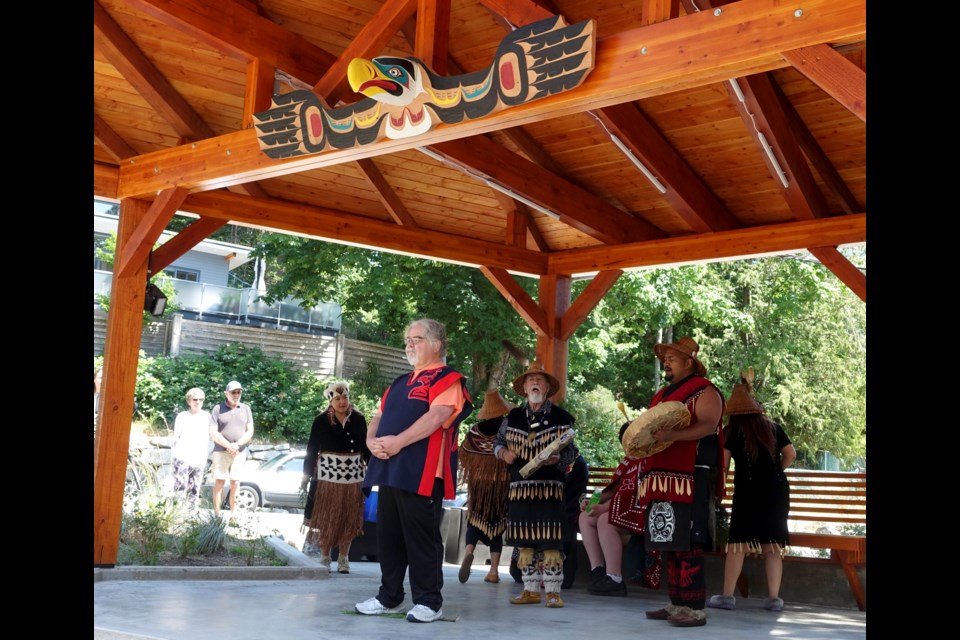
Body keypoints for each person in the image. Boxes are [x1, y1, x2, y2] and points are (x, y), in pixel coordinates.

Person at [355, 319, 473, 624]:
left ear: (436, 344)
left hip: (422, 472)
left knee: (422, 540)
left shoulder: (449, 379)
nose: (409, 344)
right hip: (389, 470)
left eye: (416, 339)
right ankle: (389, 597)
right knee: (389, 538)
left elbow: (437, 417)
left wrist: (397, 442)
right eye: (407, 339)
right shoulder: (399, 382)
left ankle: (429, 602)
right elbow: (378, 415)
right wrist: (371, 441)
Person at [640, 336, 725, 628]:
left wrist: (671, 436)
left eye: (672, 358)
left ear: (689, 362)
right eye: (665, 359)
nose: (666, 362)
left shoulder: (705, 390)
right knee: (671, 541)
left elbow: (708, 425)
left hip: (691, 475)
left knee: (688, 541)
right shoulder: (662, 394)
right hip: (662, 476)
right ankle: (677, 603)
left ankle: (695, 608)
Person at [494, 361, 577, 609]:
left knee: (551, 541)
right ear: (524, 387)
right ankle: (530, 590)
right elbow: (496, 444)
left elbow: (572, 453)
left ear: (548, 387)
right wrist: (503, 454)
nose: (535, 384)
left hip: (549, 490)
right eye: (531, 380)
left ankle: (552, 592)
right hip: (520, 490)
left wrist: (558, 459)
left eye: (540, 380)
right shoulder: (512, 416)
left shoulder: (563, 418)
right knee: (524, 541)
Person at [707, 381, 796, 613]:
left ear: (733, 413)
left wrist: (719, 491)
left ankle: (727, 596)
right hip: (776, 491)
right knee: (773, 545)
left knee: (738, 543)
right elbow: (791, 454)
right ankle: (774, 599)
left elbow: (724, 466)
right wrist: (777, 471)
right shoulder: (772, 427)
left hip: (747, 491)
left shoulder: (732, 431)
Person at [301, 381, 371, 573]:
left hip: (353, 478)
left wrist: (373, 470)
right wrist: (306, 474)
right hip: (328, 479)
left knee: (348, 519)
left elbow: (366, 448)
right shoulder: (321, 421)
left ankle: (343, 558)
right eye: (338, 398)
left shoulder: (358, 419)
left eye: (345, 397)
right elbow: (312, 449)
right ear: (330, 400)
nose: (342, 402)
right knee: (328, 519)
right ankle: (325, 557)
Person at [578, 421, 645, 597]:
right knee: (585, 517)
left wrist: (605, 509)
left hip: (641, 513)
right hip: (621, 509)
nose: (628, 446)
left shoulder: (648, 460)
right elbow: (613, 489)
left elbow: (634, 493)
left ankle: (614, 578)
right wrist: (591, 503)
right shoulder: (628, 462)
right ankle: (597, 572)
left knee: (605, 520)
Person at [457, 389, 515, 585]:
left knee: (474, 520)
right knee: (497, 526)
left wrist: (478, 468)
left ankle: (469, 551)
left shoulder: (474, 430)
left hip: (479, 486)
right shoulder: (507, 429)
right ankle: (493, 570)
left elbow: (463, 454)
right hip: (500, 486)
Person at [209, 380, 255, 520]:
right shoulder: (218, 408)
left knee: (235, 482)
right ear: (226, 393)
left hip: (239, 451)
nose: (236, 394)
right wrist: (228, 445)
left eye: (238, 392)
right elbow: (213, 432)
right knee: (219, 481)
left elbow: (250, 431)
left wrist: (237, 444)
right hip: (221, 450)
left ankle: (233, 515)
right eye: (233, 392)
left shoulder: (246, 408)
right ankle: (216, 516)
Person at [171, 388, 214, 511]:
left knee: (194, 488)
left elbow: (213, 435)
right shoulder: (182, 416)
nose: (198, 402)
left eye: (201, 399)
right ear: (189, 401)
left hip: (198, 458)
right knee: (180, 487)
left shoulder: (208, 417)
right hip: (182, 457)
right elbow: (176, 437)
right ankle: (176, 513)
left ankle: (191, 516)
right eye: (195, 399)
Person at [561, 446, 588, 589]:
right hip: (562, 507)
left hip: (571, 508)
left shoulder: (577, 463)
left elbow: (569, 489)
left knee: (565, 520)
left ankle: (565, 571)